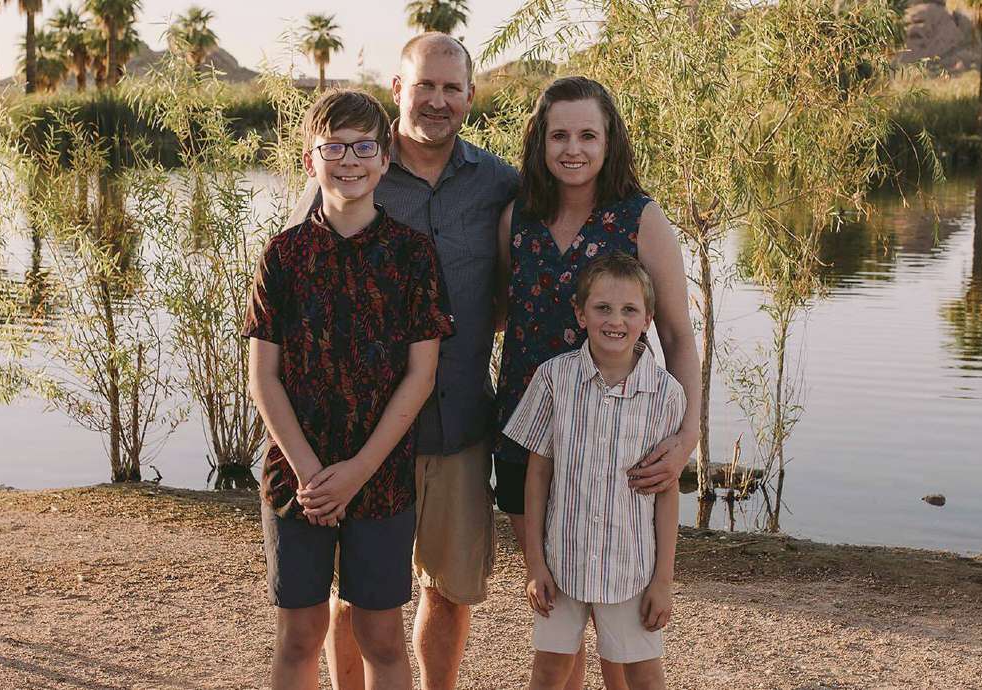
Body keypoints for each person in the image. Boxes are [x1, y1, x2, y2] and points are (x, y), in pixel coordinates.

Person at [289, 33, 520, 690]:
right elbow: (293, 294)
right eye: (425, 85)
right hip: (364, 436)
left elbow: (512, 288)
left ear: (471, 96)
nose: (438, 101)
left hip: (459, 429)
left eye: (452, 88)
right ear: (398, 89)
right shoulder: (357, 168)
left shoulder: (500, 184)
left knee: (449, 591)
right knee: (357, 594)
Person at [493, 76, 702, 689]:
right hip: (532, 436)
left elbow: (679, 337)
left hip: (620, 442)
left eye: (588, 134)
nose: (573, 148)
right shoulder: (518, 219)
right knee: (557, 600)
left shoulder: (641, 219)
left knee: (621, 636)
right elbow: (501, 314)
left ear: (610, 141)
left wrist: (687, 434)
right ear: (539, 142)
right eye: (559, 134)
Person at [244, 89, 454, 690]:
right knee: (300, 635)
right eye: (332, 147)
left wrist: (359, 470)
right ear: (310, 161)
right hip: (295, 476)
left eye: (364, 146)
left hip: (381, 475)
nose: (349, 160)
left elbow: (422, 376)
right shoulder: (283, 255)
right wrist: (311, 473)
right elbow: (263, 375)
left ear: (385, 160)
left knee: (381, 636)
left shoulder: (413, 256)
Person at [505, 253, 683, 690]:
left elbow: (667, 492)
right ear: (580, 314)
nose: (615, 321)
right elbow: (537, 476)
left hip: (631, 568)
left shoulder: (665, 395)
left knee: (641, 675)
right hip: (561, 561)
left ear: (648, 319)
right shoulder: (553, 380)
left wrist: (663, 580)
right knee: (549, 671)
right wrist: (535, 565)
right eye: (602, 308)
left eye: (629, 310)